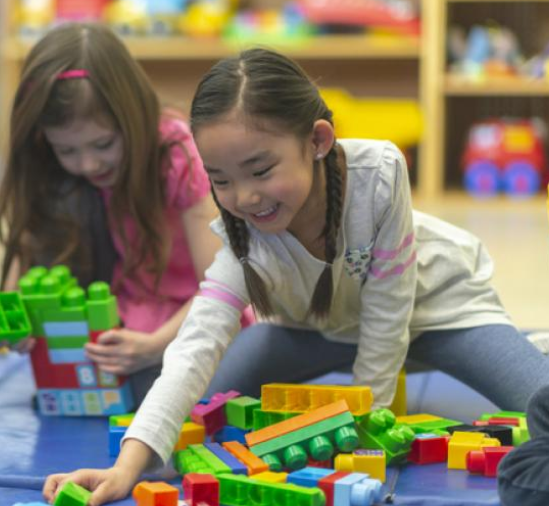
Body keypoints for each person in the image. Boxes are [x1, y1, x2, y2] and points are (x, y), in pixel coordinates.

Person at [43, 47, 549, 505]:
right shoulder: (242, 243)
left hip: (437, 314)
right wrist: (126, 467)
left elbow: (390, 306)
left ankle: (531, 346)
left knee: (537, 399)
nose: (245, 197)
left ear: (318, 140)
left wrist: (362, 424)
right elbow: (191, 351)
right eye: (221, 179)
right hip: (320, 331)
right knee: (201, 406)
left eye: (261, 170)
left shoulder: (379, 175)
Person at [0, 22, 225, 402]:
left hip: (197, 311)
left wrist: (155, 346)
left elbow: (220, 288)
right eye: (67, 150)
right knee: (97, 378)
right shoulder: (58, 164)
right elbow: (27, 239)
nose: (88, 164)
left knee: (165, 389)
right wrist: (12, 311)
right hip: (132, 305)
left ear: (132, 116)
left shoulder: (177, 155)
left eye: (103, 143)